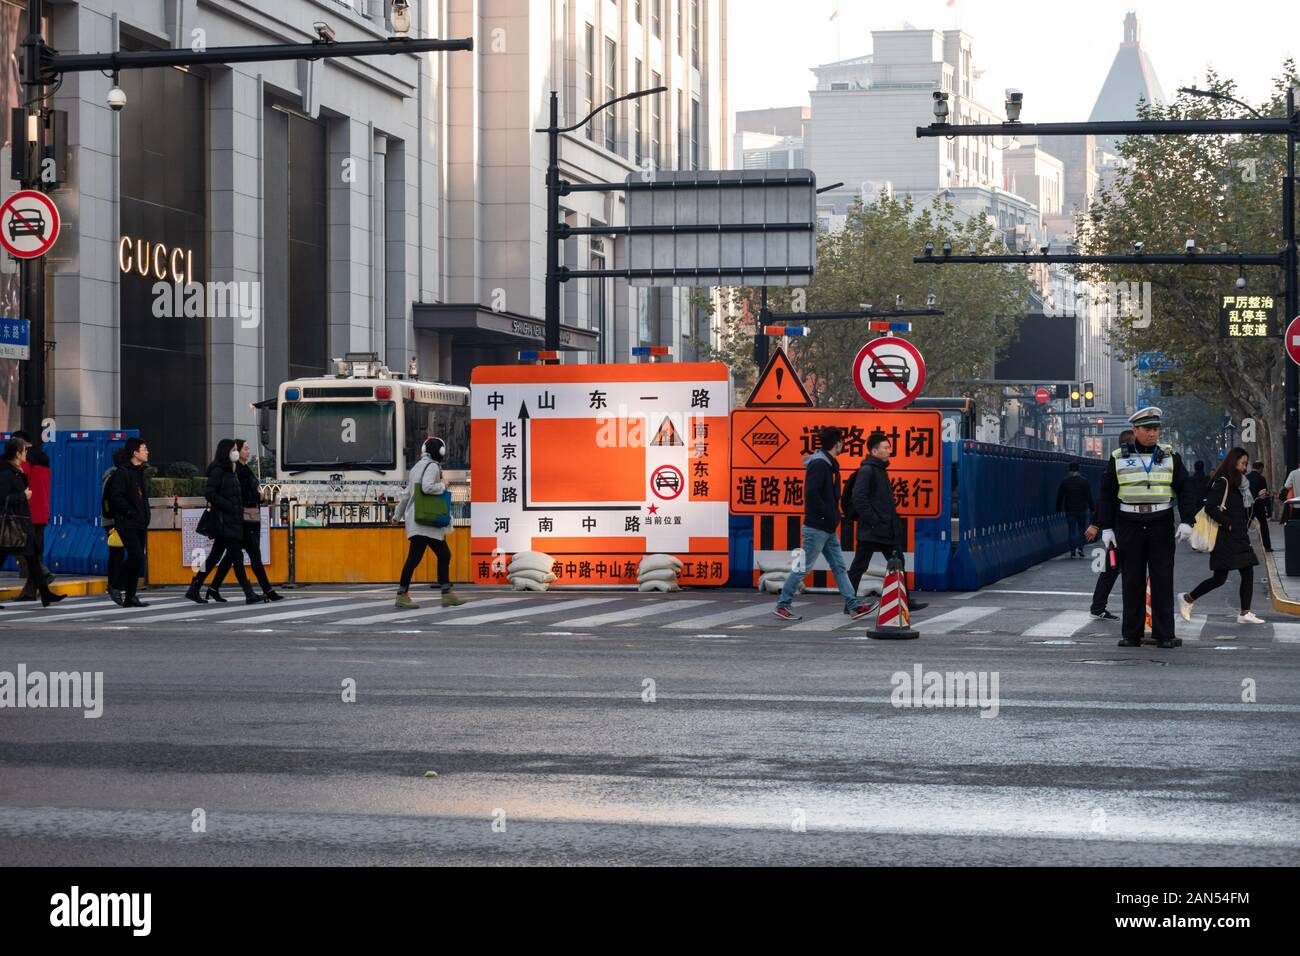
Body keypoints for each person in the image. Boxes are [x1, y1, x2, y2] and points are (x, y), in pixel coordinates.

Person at [1094, 408, 1200, 649]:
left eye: (1156, 429)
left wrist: (1187, 520)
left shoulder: (1170, 456)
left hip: (1161, 522)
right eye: (1147, 429)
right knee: (1132, 579)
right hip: (1128, 523)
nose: (1153, 434)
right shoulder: (1118, 457)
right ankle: (1131, 634)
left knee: (1163, 579)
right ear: (1135, 430)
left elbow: (1186, 488)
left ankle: (1165, 634)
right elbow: (1107, 494)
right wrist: (1107, 527)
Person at [774, 426, 873, 622]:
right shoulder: (820, 464)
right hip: (817, 527)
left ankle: (853, 606)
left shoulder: (827, 463)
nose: (843, 444)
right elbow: (811, 494)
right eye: (842, 441)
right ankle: (783, 605)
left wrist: (831, 517)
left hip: (826, 527)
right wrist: (828, 515)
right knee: (803, 568)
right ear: (837, 443)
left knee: (839, 567)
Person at [1180, 448, 1265, 625]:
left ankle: (1245, 612)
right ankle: (1188, 598)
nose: (1244, 467)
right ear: (1233, 462)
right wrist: (1228, 523)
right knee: (1219, 578)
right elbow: (1211, 507)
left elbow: (1240, 508)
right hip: (1225, 538)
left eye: (1246, 464)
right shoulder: (1223, 482)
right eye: (1242, 463)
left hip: (1239, 536)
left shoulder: (1239, 484)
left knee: (1248, 571)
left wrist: (1256, 501)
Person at [846, 430, 926, 612]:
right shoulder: (867, 471)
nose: (889, 450)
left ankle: (903, 600)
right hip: (875, 529)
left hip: (883, 529)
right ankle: (849, 602)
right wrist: (874, 520)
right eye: (886, 447)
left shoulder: (879, 470)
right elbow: (859, 498)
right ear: (874, 451)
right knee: (860, 566)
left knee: (896, 562)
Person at [392, 436, 465, 609]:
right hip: (428, 520)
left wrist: (397, 516)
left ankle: (403, 594)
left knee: (415, 558)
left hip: (416, 520)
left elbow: (406, 495)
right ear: (440, 452)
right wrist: (443, 486)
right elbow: (427, 487)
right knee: (444, 554)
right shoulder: (433, 467)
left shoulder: (416, 467)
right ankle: (446, 594)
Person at [185, 439, 258, 605]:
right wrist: (229, 506)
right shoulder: (219, 471)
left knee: (213, 558)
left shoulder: (230, 470)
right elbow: (210, 494)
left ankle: (194, 587)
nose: (236, 452)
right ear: (226, 451)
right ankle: (249, 593)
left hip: (230, 521)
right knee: (237, 558)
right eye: (233, 449)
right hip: (224, 521)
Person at [210, 439, 282, 602]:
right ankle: (266, 590)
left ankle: (213, 588)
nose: (248, 451)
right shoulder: (238, 471)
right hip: (245, 517)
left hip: (249, 515)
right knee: (253, 555)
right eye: (245, 449)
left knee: (230, 557)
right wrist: (259, 495)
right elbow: (241, 495)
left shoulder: (242, 469)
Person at [0, 437, 65, 608]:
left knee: (34, 560)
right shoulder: (6, 473)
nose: (26, 453)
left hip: (22, 524)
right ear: (17, 453)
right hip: (11, 526)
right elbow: (2, 498)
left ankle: (45, 595)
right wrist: (23, 496)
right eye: (24, 450)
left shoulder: (16, 471)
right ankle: (45, 595)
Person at [1084, 428, 1132, 621]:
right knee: (1113, 568)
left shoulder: (1119, 465)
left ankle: (1098, 605)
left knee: (1111, 568)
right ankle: (1099, 605)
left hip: (1119, 528)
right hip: (1120, 529)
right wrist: (1098, 524)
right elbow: (1106, 499)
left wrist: (1097, 524)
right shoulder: (1120, 466)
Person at [105, 437, 152, 607]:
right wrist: (130, 513)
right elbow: (116, 497)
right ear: (135, 453)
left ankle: (130, 596)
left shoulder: (140, 471)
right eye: (144, 448)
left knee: (138, 559)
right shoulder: (123, 472)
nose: (147, 452)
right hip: (127, 522)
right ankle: (115, 585)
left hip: (140, 522)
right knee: (136, 555)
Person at [10, 430, 52, 600]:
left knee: (20, 548)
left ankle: (44, 572)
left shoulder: (26, 462)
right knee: (33, 549)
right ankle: (29, 592)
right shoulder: (43, 459)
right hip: (42, 513)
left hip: (28, 513)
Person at [102, 446, 128, 606]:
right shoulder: (114, 477)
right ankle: (114, 584)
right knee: (118, 553)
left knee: (117, 553)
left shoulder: (111, 475)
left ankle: (115, 583)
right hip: (113, 520)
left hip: (111, 520)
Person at [1056, 462, 1095, 558]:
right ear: (1078, 470)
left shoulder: (1065, 481)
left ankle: (1072, 551)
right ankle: (1080, 548)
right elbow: (1088, 496)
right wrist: (1092, 508)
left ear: (1069, 470)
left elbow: (1060, 496)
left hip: (1069, 509)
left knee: (1071, 530)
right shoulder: (1084, 481)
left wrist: (1058, 508)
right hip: (1082, 509)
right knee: (1082, 529)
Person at [1245, 461, 1272, 553]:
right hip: (1259, 506)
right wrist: (1269, 509)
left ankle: (1240, 545)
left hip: (1248, 506)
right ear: (1260, 468)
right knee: (1263, 526)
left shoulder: (1246, 478)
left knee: (1245, 526)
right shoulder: (1261, 479)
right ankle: (1267, 547)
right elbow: (1265, 494)